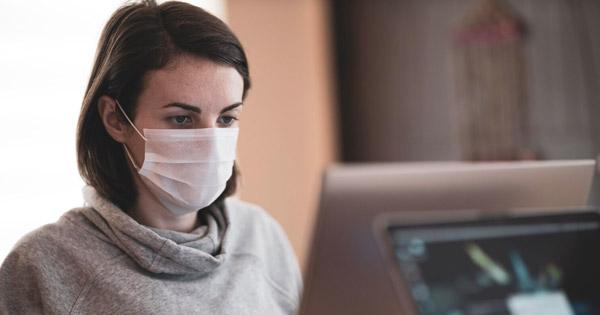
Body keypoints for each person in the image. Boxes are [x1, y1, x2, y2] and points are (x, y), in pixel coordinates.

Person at [0, 1, 302, 314]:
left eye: (226, 119)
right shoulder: (43, 263)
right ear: (115, 119)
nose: (211, 144)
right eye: (182, 119)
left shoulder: (261, 236)